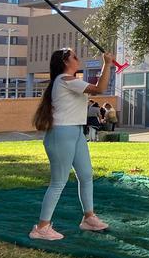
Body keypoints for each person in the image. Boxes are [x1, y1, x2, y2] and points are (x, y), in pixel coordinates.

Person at [29, 48, 115, 241]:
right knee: (58, 182)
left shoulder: (69, 81)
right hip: (62, 133)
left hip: (76, 132)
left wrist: (107, 65)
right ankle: (41, 228)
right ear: (66, 62)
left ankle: (89, 218)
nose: (78, 59)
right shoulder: (64, 80)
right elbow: (99, 89)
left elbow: (95, 89)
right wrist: (107, 63)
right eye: (74, 57)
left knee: (86, 175)